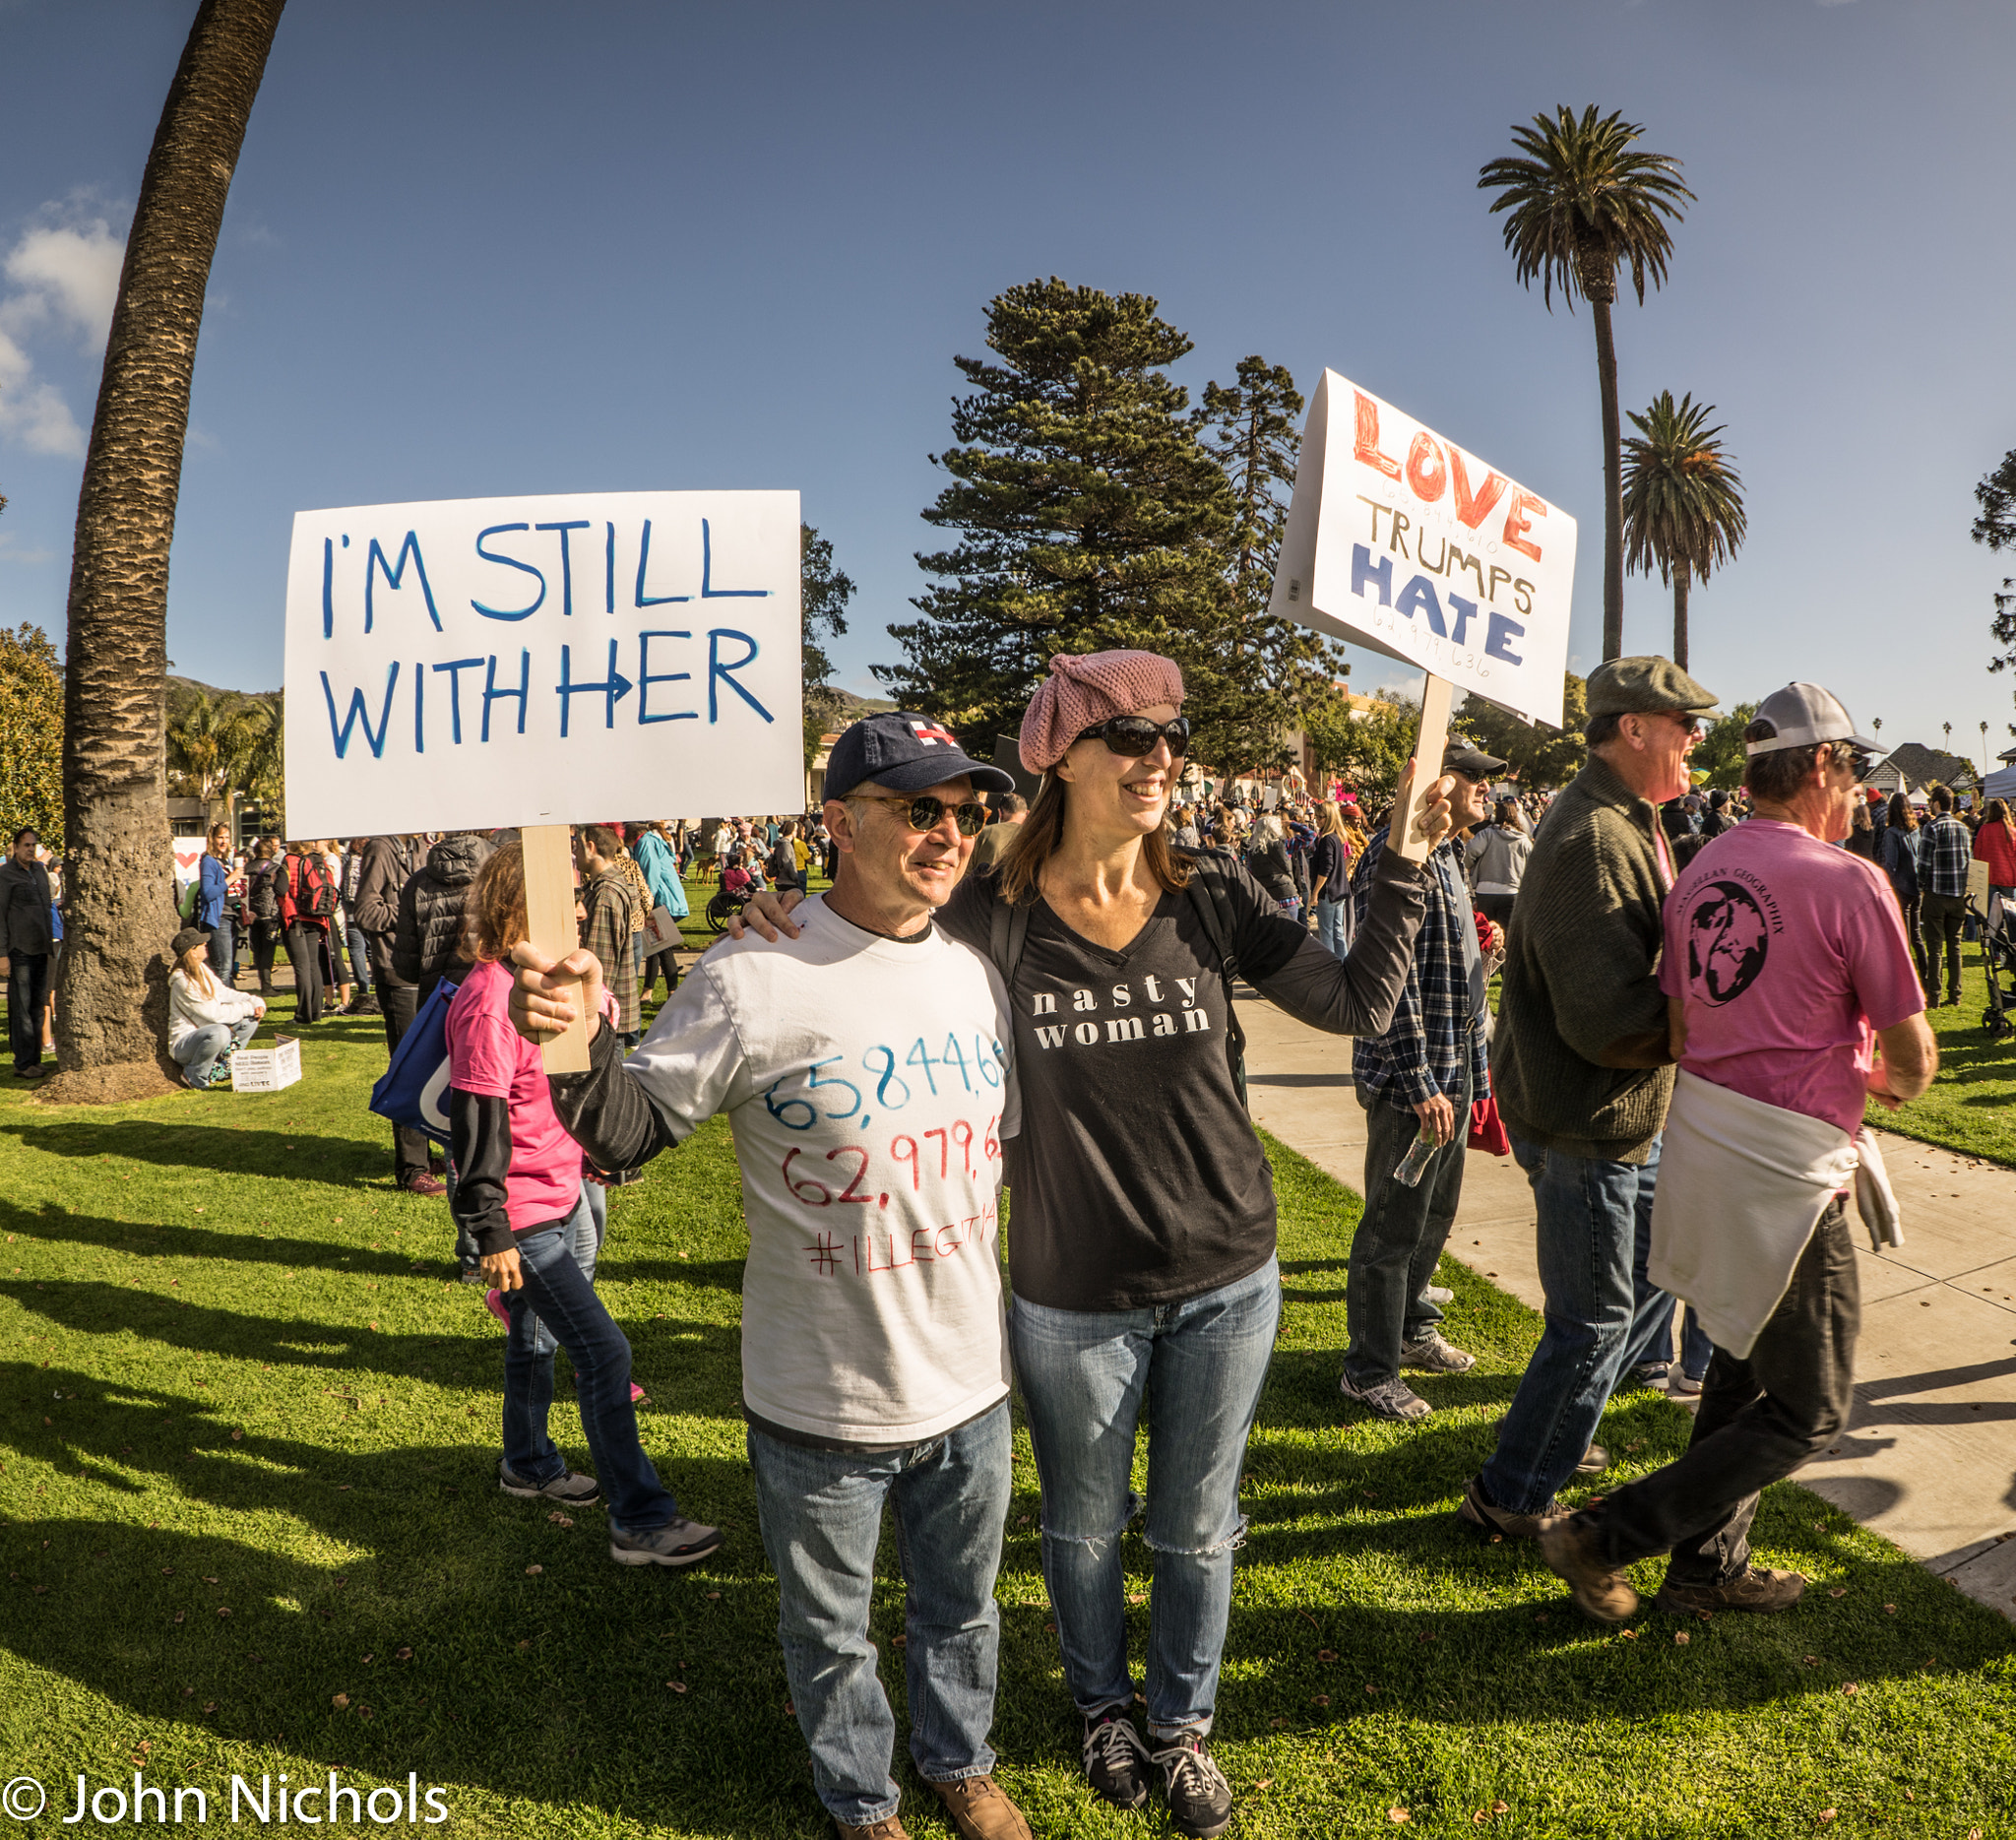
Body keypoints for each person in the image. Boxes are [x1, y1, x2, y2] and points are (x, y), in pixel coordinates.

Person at [732, 654, 1454, 1838]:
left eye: (1170, 735)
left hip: (1229, 1274)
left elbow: (1355, 1006)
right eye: (1126, 736)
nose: (1157, 756)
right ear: (1057, 755)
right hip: (1072, 1294)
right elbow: (859, 924)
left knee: (1195, 1525)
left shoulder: (1209, 894)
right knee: (1079, 1526)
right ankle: (1100, 1709)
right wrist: (782, 915)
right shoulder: (988, 915)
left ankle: (1179, 1727)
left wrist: (1409, 866)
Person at [511, 713, 1037, 1840]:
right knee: (830, 1629)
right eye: (919, 810)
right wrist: (572, 1037)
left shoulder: (972, 975)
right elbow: (623, 1129)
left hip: (970, 1382)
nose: (949, 833)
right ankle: (861, 1803)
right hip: (821, 1394)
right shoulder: (751, 975)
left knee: (961, 1611)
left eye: (966, 811)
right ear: (839, 823)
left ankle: (960, 1762)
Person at [1541, 683, 1934, 1620]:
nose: (1856, 796)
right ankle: (1610, 1530)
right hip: (1793, 1171)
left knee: (1740, 1365)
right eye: (1852, 772)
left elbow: (1680, 1024)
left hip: (1706, 1145)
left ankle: (1705, 1568)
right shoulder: (1848, 879)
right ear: (1821, 767)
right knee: (1812, 1405)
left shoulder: (1701, 866)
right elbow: (1914, 1063)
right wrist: (1864, 1076)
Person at [1465, 658, 1720, 1543]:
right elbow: (1606, 1020)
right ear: (1632, 728)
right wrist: (1704, 1023)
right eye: (1682, 722)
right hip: (1586, 1121)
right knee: (1592, 1322)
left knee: (1627, 1298)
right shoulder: (1593, 838)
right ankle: (1513, 1493)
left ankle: (1556, 1439)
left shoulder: (1631, 819)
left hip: (1607, 1116)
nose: (1696, 736)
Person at [447, 843, 724, 1571]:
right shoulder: (487, 1000)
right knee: (604, 1351)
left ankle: (528, 1463)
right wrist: (489, 1229)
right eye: (564, 897)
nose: (578, 908)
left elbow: (583, 1087)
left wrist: (597, 1155)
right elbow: (476, 1127)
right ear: (520, 906)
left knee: (537, 1339)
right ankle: (641, 1519)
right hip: (523, 1213)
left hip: (569, 1192)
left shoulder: (555, 984)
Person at [1338, 744, 1501, 1423]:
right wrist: (1421, 1080)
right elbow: (1387, 984)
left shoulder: (1451, 856)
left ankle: (1410, 1329)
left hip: (1454, 1075)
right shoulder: (1393, 857)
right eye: (1477, 778)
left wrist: (1476, 1075)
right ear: (1440, 783)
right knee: (1392, 1227)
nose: (1489, 789)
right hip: (1416, 1084)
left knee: (1435, 1215)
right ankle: (1368, 1370)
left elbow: (1447, 977)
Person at [352, 834, 443, 1197]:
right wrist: (410, 911)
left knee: (432, 1067)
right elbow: (366, 911)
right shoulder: (381, 848)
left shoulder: (418, 847)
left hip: (426, 973)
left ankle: (425, 1151)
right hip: (397, 976)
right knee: (409, 1069)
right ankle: (411, 1169)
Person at [395, 831, 494, 1008]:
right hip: (490, 997)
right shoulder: (502, 877)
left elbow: (406, 968)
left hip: (438, 1002)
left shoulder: (417, 883)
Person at [166, 925, 264, 1089]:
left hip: (208, 1032)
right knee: (219, 1032)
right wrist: (247, 1008)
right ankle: (194, 1074)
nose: (206, 944)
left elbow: (224, 993)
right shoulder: (183, 982)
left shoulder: (201, 969)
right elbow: (214, 1015)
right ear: (192, 951)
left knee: (250, 1022)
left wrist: (254, 1002)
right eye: (201, 944)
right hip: (184, 1044)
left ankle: (225, 1067)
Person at [577, 826, 641, 1047]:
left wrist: (592, 1016)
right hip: (609, 1015)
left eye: (577, 845)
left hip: (603, 1020)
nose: (575, 852)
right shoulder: (603, 887)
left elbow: (600, 964)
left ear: (590, 847)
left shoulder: (605, 894)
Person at [0, 827, 55, 1080]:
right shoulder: (5, 875)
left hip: (41, 947)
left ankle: (35, 1060)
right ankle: (23, 1063)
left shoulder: (39, 872)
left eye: (34, 845)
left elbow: (46, 907)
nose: (31, 849)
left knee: (38, 1006)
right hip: (18, 949)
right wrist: (2, 954)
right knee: (20, 1009)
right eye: (26, 845)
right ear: (16, 847)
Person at [1916, 786, 1971, 1006]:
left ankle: (1935, 995)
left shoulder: (1932, 827)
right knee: (1954, 947)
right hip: (1958, 893)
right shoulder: (1963, 828)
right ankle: (1955, 994)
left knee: (1935, 947)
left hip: (1936, 893)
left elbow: (1924, 861)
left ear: (1937, 804)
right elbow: (1969, 860)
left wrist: (1920, 885)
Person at [279, 840, 338, 1025]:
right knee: (313, 965)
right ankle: (315, 1012)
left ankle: (303, 1015)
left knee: (301, 967)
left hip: (295, 917)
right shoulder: (319, 860)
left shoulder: (289, 861)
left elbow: (280, 889)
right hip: (317, 917)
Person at [629, 821, 688, 1000]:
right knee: (654, 946)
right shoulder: (652, 840)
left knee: (662, 947)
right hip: (667, 897)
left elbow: (650, 873)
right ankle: (647, 992)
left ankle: (673, 993)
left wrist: (647, 900)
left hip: (659, 898)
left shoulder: (645, 843)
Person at [1466, 797, 1532, 929]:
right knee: (1506, 933)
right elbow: (1533, 864)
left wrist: (1469, 867)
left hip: (1485, 889)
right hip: (1512, 890)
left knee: (1485, 931)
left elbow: (1470, 851)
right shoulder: (1523, 840)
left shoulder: (1487, 834)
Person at [1309, 800, 1354, 959]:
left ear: (1328, 818)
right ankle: (1342, 963)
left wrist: (1315, 893)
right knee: (1337, 930)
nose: (1317, 820)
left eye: (1320, 817)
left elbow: (1326, 868)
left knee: (1327, 932)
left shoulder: (1327, 839)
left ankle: (1331, 967)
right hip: (1339, 890)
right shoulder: (1337, 837)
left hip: (1328, 891)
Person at [242, 840, 286, 998]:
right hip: (270, 914)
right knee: (268, 951)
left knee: (258, 949)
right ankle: (267, 986)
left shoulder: (247, 868)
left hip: (252, 913)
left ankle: (263, 983)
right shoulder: (275, 868)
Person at [193, 825, 235, 984]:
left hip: (232, 917)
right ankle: (218, 1004)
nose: (224, 842)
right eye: (220, 838)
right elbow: (208, 892)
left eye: (226, 837)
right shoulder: (209, 861)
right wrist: (231, 879)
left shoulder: (225, 861)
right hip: (218, 919)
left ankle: (230, 1003)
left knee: (229, 967)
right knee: (222, 967)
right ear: (212, 839)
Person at [1972, 796, 2016, 928]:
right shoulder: (2013, 831)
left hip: (1989, 877)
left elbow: (1977, 853)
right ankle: (2009, 944)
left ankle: (1993, 945)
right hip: (2008, 879)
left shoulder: (1985, 829)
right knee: (2009, 916)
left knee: (1992, 918)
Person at [970, 793, 1029, 873]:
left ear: (1000, 813)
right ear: (1027, 813)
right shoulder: (1034, 839)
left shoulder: (985, 833)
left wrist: (980, 803)